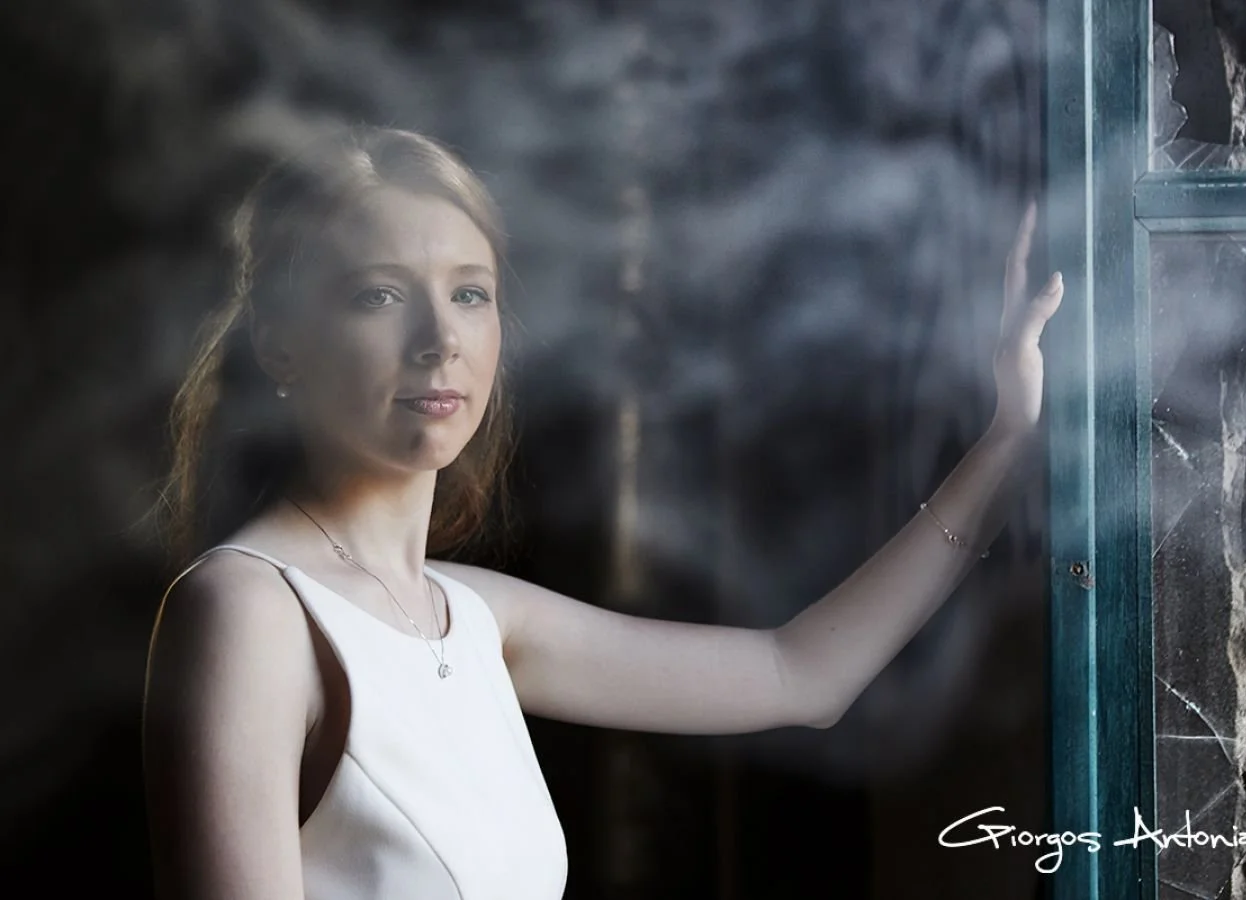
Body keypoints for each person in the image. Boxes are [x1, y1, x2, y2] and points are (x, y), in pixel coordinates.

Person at [140, 124, 1064, 900]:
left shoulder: (470, 618)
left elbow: (802, 675)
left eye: (470, 293)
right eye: (379, 295)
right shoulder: (248, 612)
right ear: (281, 344)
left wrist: (1006, 441)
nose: (440, 339)